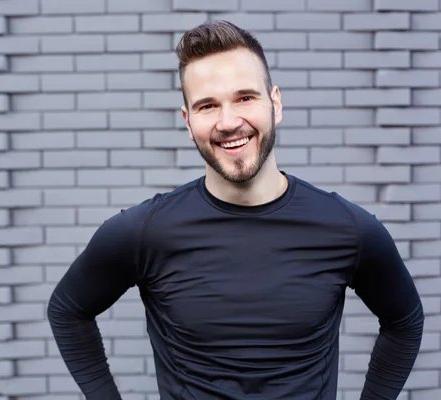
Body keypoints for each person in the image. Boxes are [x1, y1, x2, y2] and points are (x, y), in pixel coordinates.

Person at [47, 21, 424, 400]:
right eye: (208, 106)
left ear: (275, 104)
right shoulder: (144, 232)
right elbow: (68, 310)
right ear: (188, 123)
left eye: (245, 98)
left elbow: (404, 321)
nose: (228, 123)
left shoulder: (348, 229)